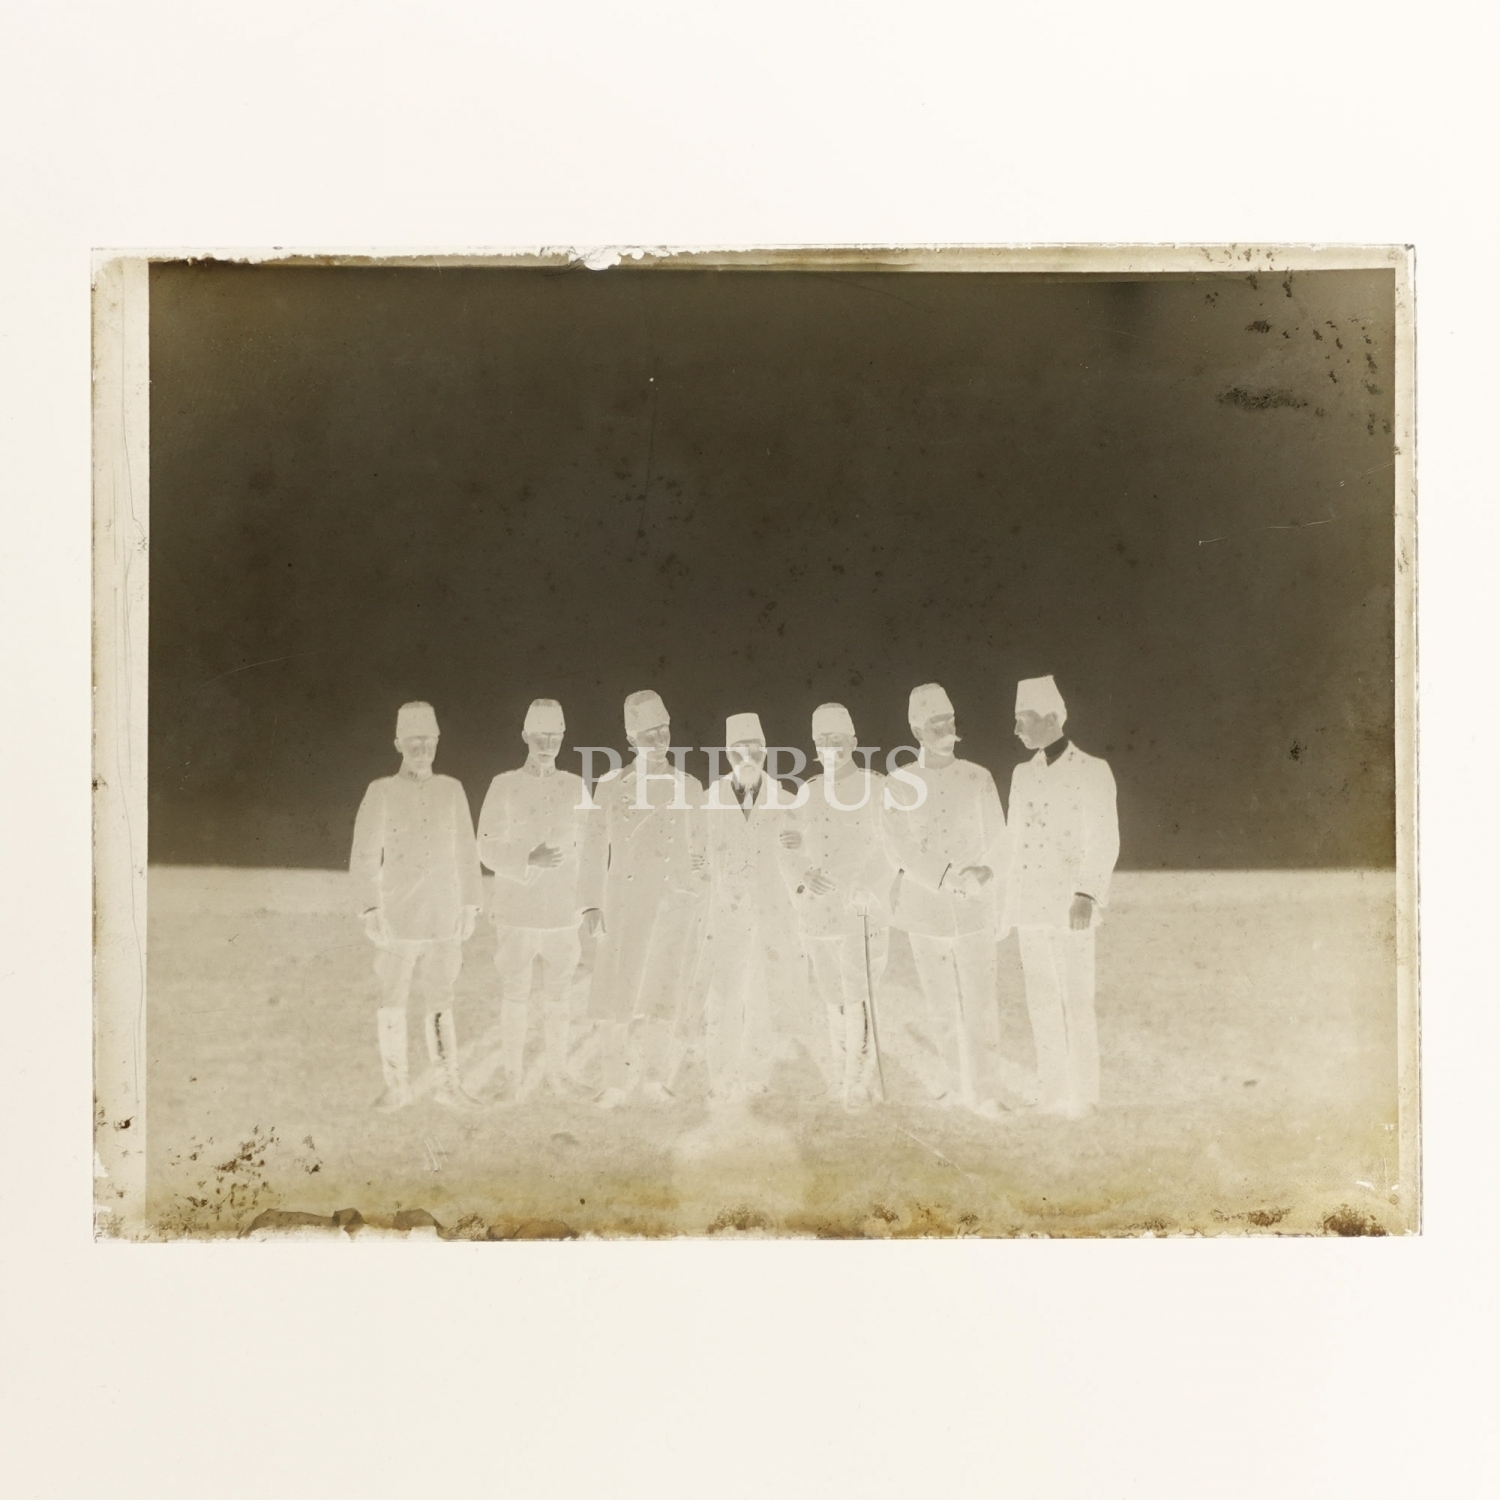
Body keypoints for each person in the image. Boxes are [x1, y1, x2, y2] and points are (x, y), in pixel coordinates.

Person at [882, 682, 1010, 1117]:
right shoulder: (899, 783)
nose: (946, 729)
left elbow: (999, 840)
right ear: (917, 730)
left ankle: (987, 1091)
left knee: (981, 1001)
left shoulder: (978, 777)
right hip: (926, 909)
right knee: (940, 1003)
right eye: (935, 723)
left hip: (974, 906)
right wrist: (945, 877)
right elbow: (900, 848)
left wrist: (985, 876)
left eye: (949, 720)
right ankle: (955, 1086)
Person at [349, 701, 483, 1112]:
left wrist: (470, 905)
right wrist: (370, 909)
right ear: (398, 744)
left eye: (429, 741)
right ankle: (396, 1086)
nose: (422, 749)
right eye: (413, 742)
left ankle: (448, 1084)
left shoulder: (451, 789)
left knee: (441, 996)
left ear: (438, 741)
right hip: (398, 915)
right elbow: (364, 856)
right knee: (393, 996)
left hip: (444, 912)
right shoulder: (381, 791)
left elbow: (466, 850)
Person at [579, 689, 709, 1107]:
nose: (658, 740)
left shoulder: (689, 785)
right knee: (615, 994)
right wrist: (591, 903)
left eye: (664, 730)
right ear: (631, 739)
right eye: (648, 733)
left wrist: (698, 879)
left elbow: (701, 845)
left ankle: (654, 1078)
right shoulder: (611, 786)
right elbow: (593, 847)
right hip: (624, 904)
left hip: (673, 903)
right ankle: (614, 1082)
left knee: (662, 993)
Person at [1006, 674, 1119, 1119]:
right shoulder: (1021, 774)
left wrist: (1086, 893)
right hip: (1030, 903)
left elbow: (1104, 838)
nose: (1016, 729)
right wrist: (1009, 902)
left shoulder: (1093, 770)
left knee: (1076, 998)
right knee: (1041, 1000)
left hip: (1072, 904)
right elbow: (1015, 840)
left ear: (1051, 719)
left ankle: (1084, 1094)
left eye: (1024, 719)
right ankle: (1052, 1091)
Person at [778, 703, 896, 1109]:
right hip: (820, 912)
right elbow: (788, 847)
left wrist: (870, 885)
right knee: (832, 994)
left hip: (861, 910)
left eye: (838, 740)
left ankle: (858, 1081)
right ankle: (842, 1073)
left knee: (858, 993)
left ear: (854, 742)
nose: (830, 748)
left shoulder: (878, 787)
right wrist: (803, 876)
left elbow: (892, 846)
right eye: (822, 741)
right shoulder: (807, 792)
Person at [476, 698, 589, 1102]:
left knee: (559, 995)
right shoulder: (504, 784)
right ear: (525, 735)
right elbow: (485, 846)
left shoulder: (574, 786)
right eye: (540, 735)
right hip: (517, 910)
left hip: (561, 910)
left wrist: (586, 897)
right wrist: (527, 857)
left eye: (554, 735)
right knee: (515, 993)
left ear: (563, 736)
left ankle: (559, 1073)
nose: (547, 743)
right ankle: (512, 1076)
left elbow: (590, 844)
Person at [698, 712, 810, 1102]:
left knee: (764, 993)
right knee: (723, 996)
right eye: (738, 750)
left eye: (755, 750)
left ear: (765, 752)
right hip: (725, 916)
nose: (747, 757)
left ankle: (756, 1072)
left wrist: (802, 847)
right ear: (726, 753)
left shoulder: (787, 800)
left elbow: (802, 855)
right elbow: (698, 857)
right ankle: (721, 1075)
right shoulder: (708, 800)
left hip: (771, 915)